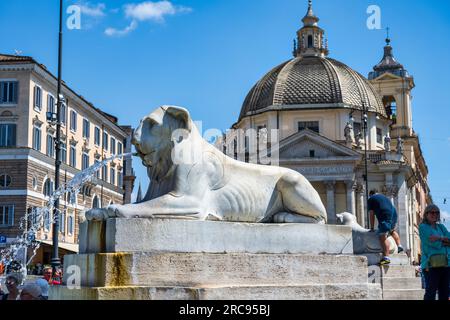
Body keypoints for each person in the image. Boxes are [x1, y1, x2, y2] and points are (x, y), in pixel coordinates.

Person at [419, 204, 450, 301]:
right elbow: (433, 244)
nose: (435, 214)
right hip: (430, 265)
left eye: (437, 213)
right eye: (432, 212)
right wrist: (444, 241)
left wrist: (439, 238)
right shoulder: (423, 227)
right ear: (426, 214)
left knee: (445, 292)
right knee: (431, 292)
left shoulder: (441, 227)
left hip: (446, 263)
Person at [367, 190, 404, 265]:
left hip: (385, 215)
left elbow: (371, 214)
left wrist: (371, 228)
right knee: (391, 230)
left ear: (370, 195)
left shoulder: (371, 199)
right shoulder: (384, 197)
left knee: (382, 236)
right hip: (393, 214)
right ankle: (399, 246)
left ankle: (386, 258)